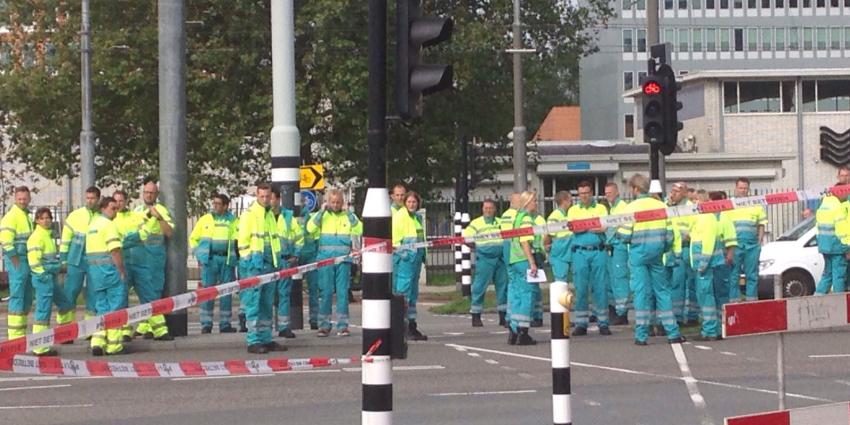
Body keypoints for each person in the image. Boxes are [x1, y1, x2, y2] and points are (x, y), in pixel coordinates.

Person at [618, 174, 685, 346]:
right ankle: (673, 332)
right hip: (657, 254)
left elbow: (625, 235)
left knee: (641, 294)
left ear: (635, 189)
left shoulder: (631, 207)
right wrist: (663, 248)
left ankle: (641, 335)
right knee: (663, 292)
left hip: (638, 255)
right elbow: (670, 235)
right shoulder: (661, 206)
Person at [237, 183, 285, 353]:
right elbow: (242, 241)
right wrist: (249, 261)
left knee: (266, 303)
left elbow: (273, 240)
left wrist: (276, 261)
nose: (265, 199)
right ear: (257, 195)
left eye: (268, 196)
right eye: (262, 196)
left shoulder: (270, 214)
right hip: (255, 265)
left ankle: (266, 338)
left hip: (269, 264)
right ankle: (253, 340)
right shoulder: (249, 214)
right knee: (253, 303)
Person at [307, 189, 362, 337]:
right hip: (325, 260)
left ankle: (343, 326)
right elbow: (310, 228)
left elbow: (359, 228)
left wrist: (349, 213)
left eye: (338, 202)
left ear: (342, 203)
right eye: (332, 202)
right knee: (325, 292)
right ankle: (324, 325)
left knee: (343, 293)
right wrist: (321, 212)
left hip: (343, 260)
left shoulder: (347, 216)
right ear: (327, 202)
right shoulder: (322, 216)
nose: (335, 205)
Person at [27, 208, 74, 356]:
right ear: (37, 220)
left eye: (48, 218)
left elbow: (50, 259)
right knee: (43, 312)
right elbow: (35, 263)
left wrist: (55, 267)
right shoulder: (36, 237)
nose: (46, 220)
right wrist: (52, 270)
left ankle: (65, 335)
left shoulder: (48, 235)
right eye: (42, 218)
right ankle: (39, 347)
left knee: (65, 304)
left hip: (50, 278)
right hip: (43, 279)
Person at [689, 191, 735, 341]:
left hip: (707, 265)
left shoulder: (706, 217)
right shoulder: (706, 217)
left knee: (706, 297)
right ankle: (718, 329)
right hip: (712, 263)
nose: (693, 203)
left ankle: (710, 331)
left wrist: (702, 264)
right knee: (716, 296)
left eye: (695, 199)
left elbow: (707, 243)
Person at [189, 194, 238, 334]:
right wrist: (199, 253)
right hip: (210, 260)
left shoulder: (233, 221)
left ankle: (225, 324)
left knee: (226, 293)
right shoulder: (206, 219)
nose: (215, 206)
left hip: (227, 260)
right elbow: (193, 238)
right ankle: (206, 324)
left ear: (225, 206)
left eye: (218, 203)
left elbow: (237, 239)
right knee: (207, 293)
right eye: (214, 203)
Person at [567, 181, 611, 336]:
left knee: (600, 288)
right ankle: (581, 323)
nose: (584, 196)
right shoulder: (573, 210)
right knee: (581, 288)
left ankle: (603, 322)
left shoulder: (600, 208)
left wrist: (584, 226)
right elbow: (573, 228)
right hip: (580, 253)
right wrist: (592, 225)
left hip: (598, 251)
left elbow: (604, 227)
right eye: (581, 193)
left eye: (586, 193)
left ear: (591, 193)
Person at [132, 178, 174, 341]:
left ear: (156, 194)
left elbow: (169, 232)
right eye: (146, 192)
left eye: (152, 193)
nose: (148, 195)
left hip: (154, 258)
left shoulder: (161, 210)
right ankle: (145, 325)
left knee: (154, 292)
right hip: (138, 257)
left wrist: (158, 218)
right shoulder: (136, 211)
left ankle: (150, 327)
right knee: (143, 294)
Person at [87, 197, 129, 356]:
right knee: (115, 309)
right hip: (110, 272)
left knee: (101, 309)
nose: (116, 211)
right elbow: (115, 250)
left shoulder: (92, 225)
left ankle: (97, 342)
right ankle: (114, 346)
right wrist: (121, 270)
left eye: (117, 208)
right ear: (103, 208)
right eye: (113, 208)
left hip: (96, 274)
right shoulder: (109, 225)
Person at [57, 186, 100, 327]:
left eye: (92, 198)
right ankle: (65, 325)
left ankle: (91, 326)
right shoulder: (75, 215)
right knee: (70, 290)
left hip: (95, 259)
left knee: (94, 291)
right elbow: (66, 238)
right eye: (87, 198)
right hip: (76, 258)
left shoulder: (102, 216)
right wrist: (63, 258)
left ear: (98, 199)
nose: (89, 201)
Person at [463, 199, 508, 327]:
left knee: (503, 287)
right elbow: (466, 238)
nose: (488, 210)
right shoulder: (476, 223)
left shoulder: (501, 222)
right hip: (485, 259)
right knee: (479, 287)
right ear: (482, 209)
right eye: (485, 208)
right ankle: (476, 315)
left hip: (500, 258)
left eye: (490, 208)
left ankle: (503, 316)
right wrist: (479, 248)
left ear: (495, 210)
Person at [392, 191, 428, 340]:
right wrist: (404, 255)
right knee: (403, 293)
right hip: (406, 260)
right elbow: (394, 240)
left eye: (414, 202)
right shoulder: (400, 216)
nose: (412, 204)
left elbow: (421, 238)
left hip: (416, 259)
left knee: (413, 294)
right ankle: (402, 327)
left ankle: (412, 326)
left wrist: (423, 255)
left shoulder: (417, 217)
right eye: (409, 202)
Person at [270, 188, 304, 338]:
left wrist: (295, 255)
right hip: (268, 262)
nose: (268, 202)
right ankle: (267, 328)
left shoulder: (288, 217)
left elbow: (299, 237)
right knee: (268, 295)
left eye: (271, 198)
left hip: (284, 261)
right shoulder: (262, 217)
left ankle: (284, 327)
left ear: (278, 199)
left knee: (284, 294)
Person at [1, 186, 34, 342]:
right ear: (15, 199)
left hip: (26, 260)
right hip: (18, 260)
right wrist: (15, 260)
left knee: (27, 296)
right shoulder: (11, 216)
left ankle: (20, 332)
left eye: (25, 199)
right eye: (19, 199)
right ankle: (15, 337)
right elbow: (6, 241)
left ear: (29, 199)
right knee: (18, 296)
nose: (22, 201)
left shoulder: (25, 215)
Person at [506, 191, 539, 346]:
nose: (536, 204)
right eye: (534, 201)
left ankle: (513, 330)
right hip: (522, 259)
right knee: (527, 295)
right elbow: (525, 241)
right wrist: (532, 262)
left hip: (513, 258)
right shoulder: (525, 218)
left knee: (515, 296)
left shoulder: (516, 217)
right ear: (528, 203)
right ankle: (523, 332)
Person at [113, 190, 146, 341]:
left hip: (138, 261)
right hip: (122, 262)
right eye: (116, 201)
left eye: (121, 201)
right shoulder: (112, 219)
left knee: (145, 295)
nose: (118, 204)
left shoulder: (135, 216)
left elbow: (143, 235)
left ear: (126, 201)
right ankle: (125, 330)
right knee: (121, 297)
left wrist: (130, 240)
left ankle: (146, 326)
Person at [727, 178, 767, 301]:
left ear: (748, 189)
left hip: (752, 245)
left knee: (752, 275)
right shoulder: (730, 204)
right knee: (733, 276)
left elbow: (761, 224)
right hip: (735, 245)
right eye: (740, 188)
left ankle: (752, 302)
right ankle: (734, 303)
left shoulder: (755, 204)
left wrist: (759, 241)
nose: (743, 191)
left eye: (745, 188)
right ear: (735, 188)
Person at [666, 181, 697, 325]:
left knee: (692, 283)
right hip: (674, 249)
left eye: (677, 191)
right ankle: (677, 316)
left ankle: (692, 316)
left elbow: (695, 229)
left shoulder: (691, 207)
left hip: (687, 248)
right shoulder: (668, 206)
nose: (673, 194)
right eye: (672, 191)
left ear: (684, 192)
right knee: (676, 284)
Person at [815, 182, 850, 294]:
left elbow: (818, 228)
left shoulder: (823, 206)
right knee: (839, 276)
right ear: (841, 192)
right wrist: (847, 248)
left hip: (825, 247)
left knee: (827, 274)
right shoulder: (838, 207)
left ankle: (817, 298)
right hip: (837, 247)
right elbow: (842, 231)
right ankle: (839, 302)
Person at [604, 182, 630, 325]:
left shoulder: (622, 207)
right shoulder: (613, 208)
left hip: (619, 246)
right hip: (612, 247)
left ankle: (622, 313)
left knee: (620, 279)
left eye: (609, 193)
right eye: (606, 193)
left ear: (617, 192)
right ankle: (615, 310)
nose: (607, 195)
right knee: (612, 279)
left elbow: (615, 228)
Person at [499, 193, 521, 327]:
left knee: (511, 283)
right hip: (514, 249)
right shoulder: (516, 215)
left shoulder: (504, 215)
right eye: (520, 201)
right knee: (517, 284)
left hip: (507, 248)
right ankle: (513, 316)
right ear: (513, 202)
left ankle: (509, 315)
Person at [546, 191, 573, 286]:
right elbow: (548, 235)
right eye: (570, 200)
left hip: (568, 251)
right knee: (561, 281)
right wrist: (547, 247)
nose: (572, 202)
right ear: (564, 201)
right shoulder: (554, 216)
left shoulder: (569, 214)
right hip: (559, 252)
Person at [299, 208, 320, 330]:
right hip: (297, 256)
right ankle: (314, 318)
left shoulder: (311, 219)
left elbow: (317, 238)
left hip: (310, 257)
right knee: (287, 290)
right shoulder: (288, 216)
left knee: (314, 289)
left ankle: (314, 318)